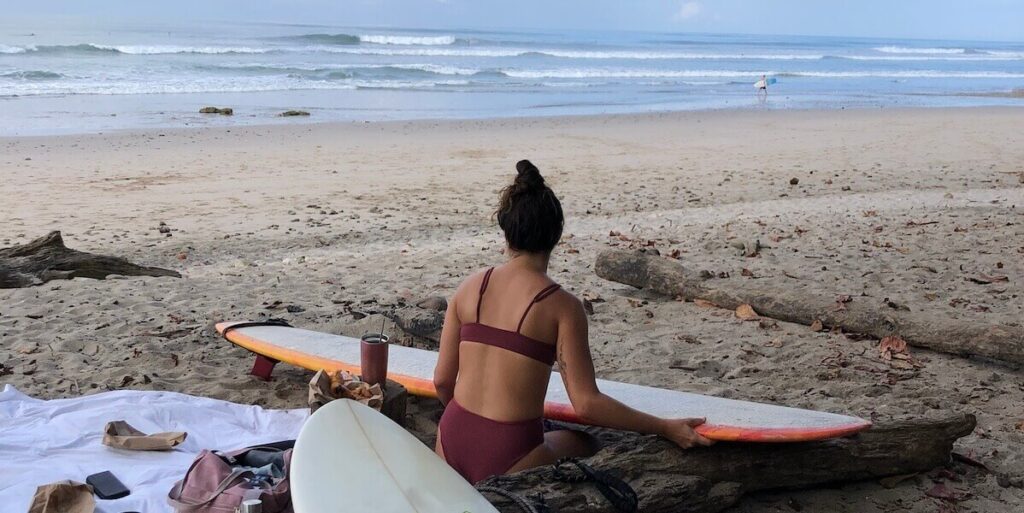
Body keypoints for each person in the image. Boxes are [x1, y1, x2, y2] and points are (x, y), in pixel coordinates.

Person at [433, 159, 713, 484]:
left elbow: (442, 381)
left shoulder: (468, 288)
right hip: (510, 450)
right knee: (588, 443)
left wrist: (470, 428)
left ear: (507, 233)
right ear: (556, 235)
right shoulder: (562, 307)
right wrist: (664, 427)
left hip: (451, 439)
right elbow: (586, 405)